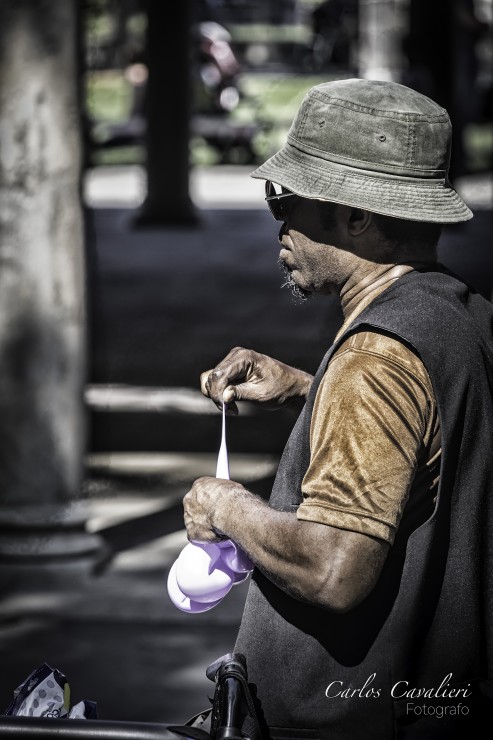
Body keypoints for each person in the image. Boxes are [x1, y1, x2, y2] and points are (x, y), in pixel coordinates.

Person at [182, 78, 493, 739]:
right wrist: (307, 388)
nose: (279, 224)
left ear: (356, 217)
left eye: (286, 200)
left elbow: (332, 570)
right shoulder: (461, 316)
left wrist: (224, 508)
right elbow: (437, 445)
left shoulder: (376, 358)